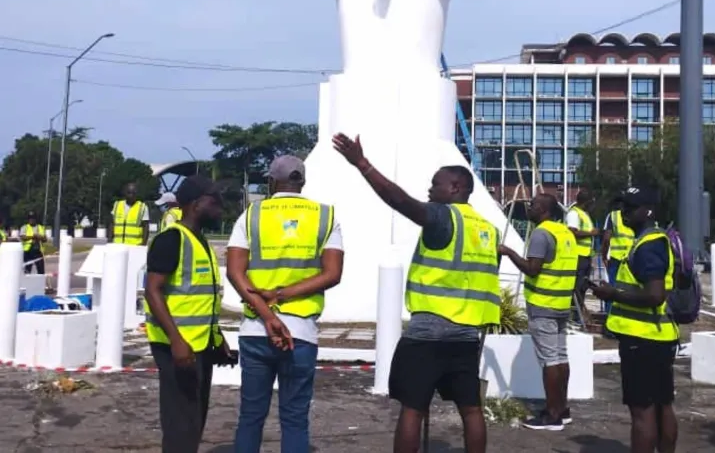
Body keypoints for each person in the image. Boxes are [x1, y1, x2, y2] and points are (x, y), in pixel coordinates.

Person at [333, 133, 500, 453]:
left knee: (413, 407)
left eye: (435, 184)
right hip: (466, 335)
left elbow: (401, 202)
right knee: (471, 408)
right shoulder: (487, 230)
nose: (430, 190)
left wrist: (363, 165)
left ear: (456, 188)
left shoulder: (442, 215)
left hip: (428, 333)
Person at [227, 155, 344, 453]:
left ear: (271, 180)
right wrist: (282, 296)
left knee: (251, 417)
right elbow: (332, 274)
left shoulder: (251, 214)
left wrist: (267, 314)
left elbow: (234, 271)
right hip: (300, 332)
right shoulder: (325, 216)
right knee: (294, 418)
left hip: (255, 329)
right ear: (302, 181)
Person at [144, 175, 234, 453]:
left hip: (199, 346)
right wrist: (177, 341)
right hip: (177, 347)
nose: (221, 208)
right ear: (196, 204)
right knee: (180, 422)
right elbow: (153, 291)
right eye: (215, 202)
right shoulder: (171, 239)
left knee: (194, 419)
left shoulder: (200, 242)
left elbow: (202, 302)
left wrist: (217, 341)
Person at [592, 187, 679, 453]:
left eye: (629, 208)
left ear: (648, 211)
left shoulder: (649, 244)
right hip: (657, 338)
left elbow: (654, 295)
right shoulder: (649, 241)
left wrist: (612, 293)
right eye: (622, 207)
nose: (623, 213)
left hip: (643, 340)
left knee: (642, 412)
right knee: (663, 404)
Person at [500, 193, 578, 431]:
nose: (529, 207)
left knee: (550, 361)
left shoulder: (541, 234)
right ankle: (562, 409)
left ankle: (552, 414)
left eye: (533, 205)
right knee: (561, 357)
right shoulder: (565, 233)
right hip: (562, 304)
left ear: (543, 210)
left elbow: (533, 269)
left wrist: (509, 252)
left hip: (543, 305)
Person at [565, 189, 598, 317]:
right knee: (576, 287)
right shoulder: (574, 214)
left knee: (582, 286)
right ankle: (573, 315)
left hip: (585, 256)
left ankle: (577, 316)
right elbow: (572, 232)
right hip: (577, 256)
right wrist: (591, 233)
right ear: (588, 202)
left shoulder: (584, 214)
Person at [600, 200, 635, 313]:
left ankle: (610, 314)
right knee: (629, 288)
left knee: (612, 289)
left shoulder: (613, 216)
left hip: (616, 258)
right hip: (632, 257)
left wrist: (604, 255)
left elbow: (606, 238)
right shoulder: (635, 215)